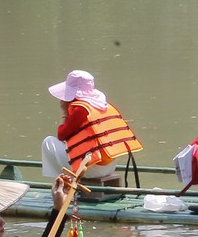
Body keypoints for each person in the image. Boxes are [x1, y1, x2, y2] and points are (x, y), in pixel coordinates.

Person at [41, 70, 141, 201]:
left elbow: (61, 135)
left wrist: (64, 112)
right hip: (109, 166)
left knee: (49, 142)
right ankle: (67, 182)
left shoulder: (80, 109)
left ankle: (62, 185)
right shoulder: (101, 104)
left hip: (92, 168)